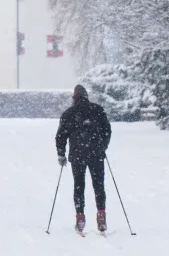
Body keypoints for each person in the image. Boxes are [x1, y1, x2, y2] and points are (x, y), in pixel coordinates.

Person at [55, 84, 112, 234]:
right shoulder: (97, 110)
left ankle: (80, 217)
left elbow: (61, 135)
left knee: (79, 185)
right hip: (96, 154)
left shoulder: (69, 113)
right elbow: (107, 130)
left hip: (77, 155)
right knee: (99, 185)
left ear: (75, 98)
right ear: (86, 97)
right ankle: (101, 215)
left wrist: (61, 153)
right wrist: (103, 146)